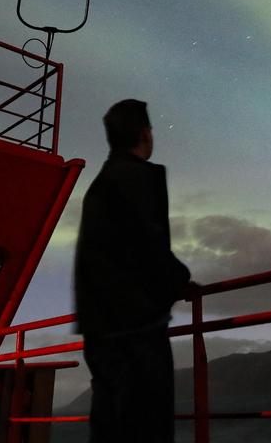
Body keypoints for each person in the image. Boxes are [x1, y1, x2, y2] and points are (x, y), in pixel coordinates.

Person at [74, 99, 193, 443]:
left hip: (101, 333)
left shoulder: (100, 185)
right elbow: (150, 244)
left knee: (111, 426)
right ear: (144, 133)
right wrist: (180, 281)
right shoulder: (138, 178)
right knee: (146, 425)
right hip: (135, 330)